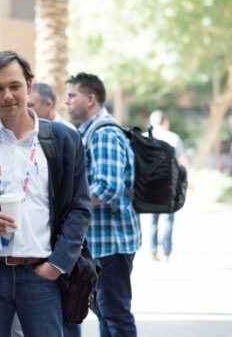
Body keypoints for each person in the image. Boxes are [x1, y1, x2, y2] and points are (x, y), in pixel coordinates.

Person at [0, 50, 91, 337]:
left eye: (14, 86)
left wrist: (57, 264)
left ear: (29, 86)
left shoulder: (63, 139)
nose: (7, 95)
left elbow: (79, 208)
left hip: (42, 274)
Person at [65, 72, 141, 337]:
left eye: (72, 96)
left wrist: (70, 203)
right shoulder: (90, 132)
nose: (66, 102)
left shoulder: (104, 133)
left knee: (115, 314)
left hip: (112, 242)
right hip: (102, 241)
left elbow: (108, 187)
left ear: (90, 98)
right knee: (106, 314)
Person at [28, 83, 80, 337]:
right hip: (33, 258)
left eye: (32, 105)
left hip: (60, 251)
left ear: (48, 105)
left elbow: (78, 199)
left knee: (68, 318)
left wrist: (58, 262)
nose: (27, 111)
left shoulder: (65, 135)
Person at [147, 110, 190, 263]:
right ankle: (166, 252)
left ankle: (152, 250)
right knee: (168, 219)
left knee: (153, 219)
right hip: (170, 183)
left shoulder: (146, 137)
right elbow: (183, 160)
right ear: (165, 122)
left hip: (151, 184)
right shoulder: (173, 137)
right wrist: (188, 180)